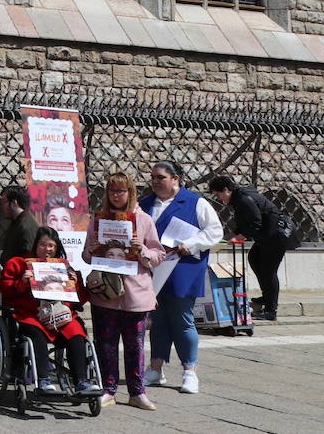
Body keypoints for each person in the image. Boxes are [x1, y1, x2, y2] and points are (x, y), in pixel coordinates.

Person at [82, 171, 165, 410]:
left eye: (120, 190)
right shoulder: (98, 220)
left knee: (135, 345)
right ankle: (108, 390)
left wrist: (142, 252)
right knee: (105, 343)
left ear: (130, 192)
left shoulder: (144, 220)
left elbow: (158, 255)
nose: (115, 195)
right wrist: (93, 250)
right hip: (105, 293)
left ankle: (137, 392)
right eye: (111, 190)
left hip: (136, 294)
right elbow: (86, 256)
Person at [141, 160, 223, 395]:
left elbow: (215, 231)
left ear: (175, 179)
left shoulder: (196, 203)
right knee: (157, 319)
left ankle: (190, 371)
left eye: (161, 178)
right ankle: (156, 368)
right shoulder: (145, 203)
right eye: (153, 177)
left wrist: (192, 244)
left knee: (182, 318)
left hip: (182, 267)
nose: (155, 182)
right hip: (153, 269)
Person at [0, 226, 102, 396]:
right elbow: (6, 290)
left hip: (60, 315)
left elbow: (81, 299)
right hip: (31, 314)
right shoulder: (18, 263)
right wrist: (22, 283)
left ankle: (81, 382)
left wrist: (75, 284)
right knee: (36, 335)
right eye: (42, 245)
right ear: (35, 245)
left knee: (77, 334)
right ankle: (44, 380)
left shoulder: (65, 266)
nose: (47, 250)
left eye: (51, 246)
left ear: (56, 248)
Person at [209, 175, 292, 322]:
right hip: (266, 237)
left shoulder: (243, 199)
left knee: (268, 271)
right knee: (254, 258)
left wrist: (239, 237)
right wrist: (232, 234)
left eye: (218, 194)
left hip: (275, 237)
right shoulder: (238, 198)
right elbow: (245, 221)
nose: (219, 199)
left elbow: (255, 222)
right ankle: (267, 297)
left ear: (226, 190)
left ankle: (271, 310)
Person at [0, 186, 40, 270]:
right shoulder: (16, 222)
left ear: (14, 203)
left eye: (4, 202)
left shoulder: (26, 225)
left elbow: (28, 257)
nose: (2, 206)